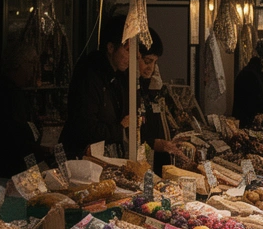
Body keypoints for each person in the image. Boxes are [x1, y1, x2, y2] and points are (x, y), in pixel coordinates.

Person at [61, 17, 131, 158]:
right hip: (81, 158)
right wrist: (120, 128)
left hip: (108, 155)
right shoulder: (89, 74)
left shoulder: (120, 76)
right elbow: (85, 127)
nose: (132, 57)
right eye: (128, 49)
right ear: (111, 47)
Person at [0, 40, 43, 177]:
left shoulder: (9, 90)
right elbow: (17, 136)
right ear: (17, 64)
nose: (34, 70)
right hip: (6, 171)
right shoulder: (7, 94)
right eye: (31, 63)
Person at [135, 29, 188, 170]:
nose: (150, 68)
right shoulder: (131, 89)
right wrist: (155, 143)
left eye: (154, 63)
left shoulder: (152, 87)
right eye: (147, 61)